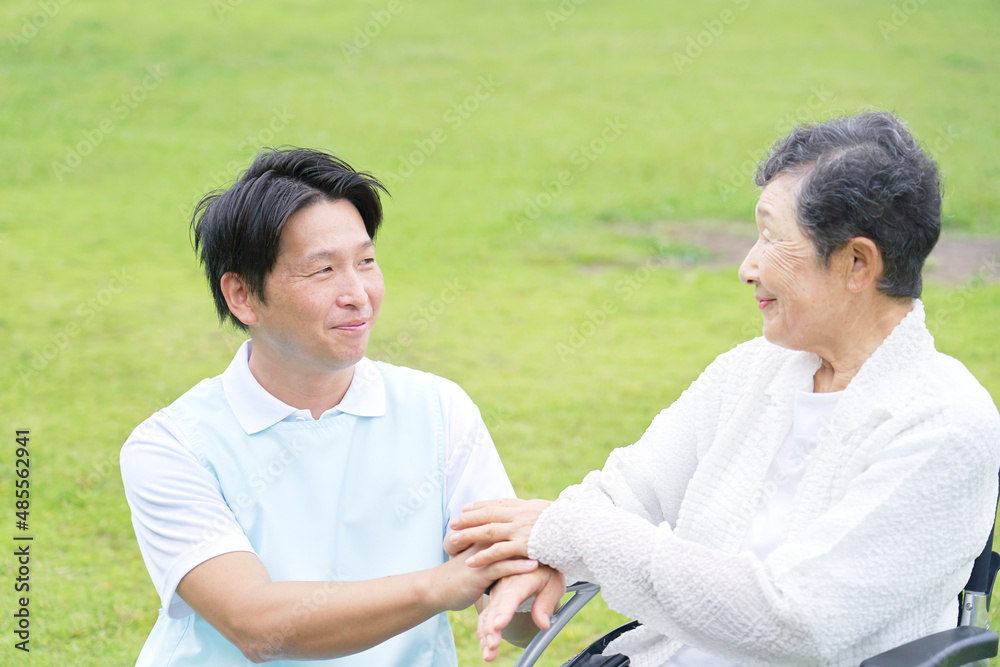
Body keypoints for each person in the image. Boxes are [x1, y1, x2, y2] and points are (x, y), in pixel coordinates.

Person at [447, 111, 1000, 666]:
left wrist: (573, 534)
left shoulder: (945, 424)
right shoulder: (753, 370)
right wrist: (550, 551)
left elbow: (797, 621)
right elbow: (627, 492)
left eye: (772, 239)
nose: (747, 266)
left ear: (856, 262)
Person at [120, 147, 544, 666]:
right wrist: (442, 585)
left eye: (366, 262)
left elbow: (515, 616)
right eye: (323, 271)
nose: (358, 295)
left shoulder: (438, 410)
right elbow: (257, 625)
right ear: (242, 296)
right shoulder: (171, 446)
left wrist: (535, 564)